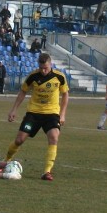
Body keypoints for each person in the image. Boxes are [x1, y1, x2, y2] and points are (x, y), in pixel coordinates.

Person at [6, 53, 69, 181]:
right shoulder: (33, 76)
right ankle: (5, 161)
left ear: (50, 64)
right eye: (41, 68)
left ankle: (47, 171)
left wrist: (62, 114)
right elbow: (23, 91)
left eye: (45, 68)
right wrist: (14, 109)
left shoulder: (60, 77)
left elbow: (65, 95)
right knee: (19, 140)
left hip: (52, 114)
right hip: (33, 114)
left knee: (54, 137)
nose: (43, 71)